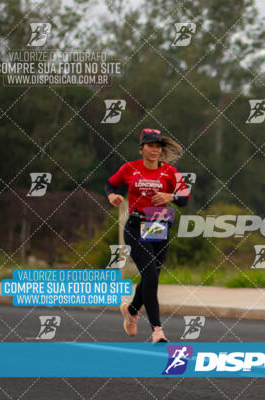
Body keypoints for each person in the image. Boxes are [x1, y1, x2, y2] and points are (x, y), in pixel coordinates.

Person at [105, 128, 189, 343]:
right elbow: (110, 184)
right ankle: (157, 330)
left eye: (158, 146)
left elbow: (184, 199)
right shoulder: (130, 168)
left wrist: (169, 196)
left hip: (158, 226)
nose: (155, 150)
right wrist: (112, 195)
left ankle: (131, 310)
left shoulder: (170, 172)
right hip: (135, 226)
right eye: (151, 146)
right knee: (150, 276)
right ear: (142, 148)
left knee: (151, 276)